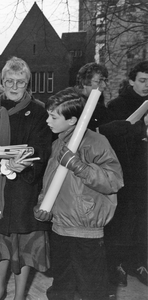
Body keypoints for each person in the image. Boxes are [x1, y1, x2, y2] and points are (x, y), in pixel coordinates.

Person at [0, 56, 52, 300]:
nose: (14, 87)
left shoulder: (38, 111)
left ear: (27, 83)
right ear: (2, 82)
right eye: (9, 81)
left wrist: (24, 161)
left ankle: (19, 295)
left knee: (22, 243)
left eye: (20, 82)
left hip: (22, 187)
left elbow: (43, 147)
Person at [34, 87, 124, 300]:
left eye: (53, 117)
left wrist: (80, 166)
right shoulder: (58, 144)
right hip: (60, 228)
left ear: (73, 120)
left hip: (86, 231)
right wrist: (43, 206)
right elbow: (50, 182)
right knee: (61, 285)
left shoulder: (96, 142)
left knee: (92, 288)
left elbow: (113, 181)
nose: (48, 120)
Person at [101, 61, 148, 287]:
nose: (147, 85)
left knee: (143, 219)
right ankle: (116, 265)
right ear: (131, 81)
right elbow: (114, 138)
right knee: (123, 219)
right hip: (128, 170)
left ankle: (139, 263)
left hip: (146, 170)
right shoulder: (118, 105)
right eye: (142, 81)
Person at [75, 62, 111, 131]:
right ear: (84, 83)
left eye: (105, 81)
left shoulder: (99, 107)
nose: (104, 85)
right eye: (99, 81)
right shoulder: (73, 106)